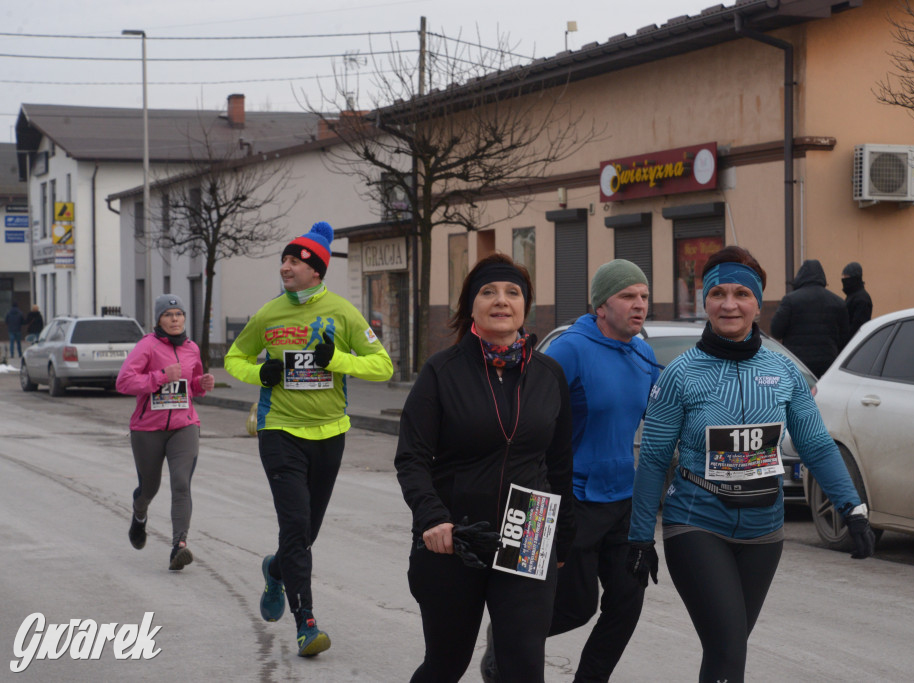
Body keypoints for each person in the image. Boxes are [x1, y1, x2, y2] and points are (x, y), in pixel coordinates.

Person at [627, 246, 875, 683]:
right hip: (697, 523)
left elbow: (816, 444)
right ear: (705, 302)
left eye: (741, 294)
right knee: (727, 646)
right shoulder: (681, 373)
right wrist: (640, 538)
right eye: (718, 293)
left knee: (729, 649)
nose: (729, 304)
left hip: (765, 531)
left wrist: (851, 507)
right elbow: (653, 458)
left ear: (758, 304)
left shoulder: (783, 371)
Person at [395, 253, 575, 683]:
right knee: (446, 663)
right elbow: (412, 457)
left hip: (529, 530)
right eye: (488, 292)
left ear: (525, 306)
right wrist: (432, 517)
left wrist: (563, 541)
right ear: (470, 306)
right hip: (455, 536)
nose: (501, 301)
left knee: (524, 666)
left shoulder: (549, 374)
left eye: (513, 292)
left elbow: (560, 463)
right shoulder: (442, 371)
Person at [225, 221, 394, 658]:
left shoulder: (343, 312)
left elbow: (382, 366)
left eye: (294, 261)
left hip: (329, 433)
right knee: (296, 526)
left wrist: (337, 359)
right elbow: (234, 358)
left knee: (305, 533)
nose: (285, 267)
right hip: (279, 429)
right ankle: (307, 624)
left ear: (316, 270)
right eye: (283, 260)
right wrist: (259, 372)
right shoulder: (268, 314)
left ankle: (275, 570)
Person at [503, 259, 659, 683]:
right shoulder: (570, 349)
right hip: (566, 500)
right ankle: (507, 643)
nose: (639, 304)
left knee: (628, 600)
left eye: (644, 296)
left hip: (622, 499)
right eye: (627, 296)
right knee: (574, 607)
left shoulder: (643, 354)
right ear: (600, 306)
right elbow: (524, 420)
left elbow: (663, 420)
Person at [116, 294, 215, 571]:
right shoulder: (147, 346)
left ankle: (179, 546)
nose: (174, 319)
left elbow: (192, 387)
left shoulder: (192, 348)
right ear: (159, 320)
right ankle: (139, 514)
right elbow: (124, 382)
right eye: (168, 315)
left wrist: (202, 383)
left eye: (179, 314)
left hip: (184, 425)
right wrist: (160, 376)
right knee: (150, 487)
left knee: (181, 483)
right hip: (148, 429)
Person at [769, 258, 849, 377]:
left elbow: (776, 331)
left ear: (801, 277)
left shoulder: (790, 300)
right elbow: (845, 337)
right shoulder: (838, 302)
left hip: (797, 363)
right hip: (827, 363)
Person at [841, 261, 873, 338]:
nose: (844, 280)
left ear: (854, 278)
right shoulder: (853, 296)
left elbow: (857, 327)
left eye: (846, 277)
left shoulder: (861, 299)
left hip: (854, 342)